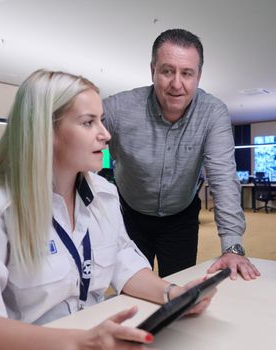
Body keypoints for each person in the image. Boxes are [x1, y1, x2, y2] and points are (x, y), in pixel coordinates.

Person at [0, 69, 216, 350]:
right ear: (45, 131)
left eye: (101, 121)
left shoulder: (104, 195)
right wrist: (81, 343)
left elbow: (123, 259)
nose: (105, 134)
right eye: (88, 123)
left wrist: (173, 294)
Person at [103, 29, 259, 280]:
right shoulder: (118, 108)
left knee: (179, 290)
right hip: (128, 213)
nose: (177, 84)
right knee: (128, 286)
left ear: (198, 76)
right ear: (152, 70)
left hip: (180, 217)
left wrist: (232, 247)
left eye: (187, 73)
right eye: (167, 71)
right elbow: (74, 130)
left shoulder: (213, 112)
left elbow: (222, 177)